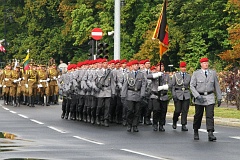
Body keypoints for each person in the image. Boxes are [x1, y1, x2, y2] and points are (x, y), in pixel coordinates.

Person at [190, 57, 222, 141]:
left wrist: (219, 97)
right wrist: (197, 96)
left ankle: (210, 133)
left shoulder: (213, 73)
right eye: (204, 63)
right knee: (198, 115)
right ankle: (196, 131)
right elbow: (192, 86)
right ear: (201, 64)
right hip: (199, 97)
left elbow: (216, 86)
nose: (206, 64)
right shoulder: (196, 73)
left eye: (207, 63)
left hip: (210, 96)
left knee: (210, 115)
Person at [121, 60, 146, 132]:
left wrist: (142, 94)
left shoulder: (141, 74)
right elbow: (125, 85)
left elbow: (143, 85)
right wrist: (123, 95)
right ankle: (129, 124)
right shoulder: (128, 74)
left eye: (137, 65)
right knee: (130, 110)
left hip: (138, 94)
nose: (136, 66)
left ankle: (135, 125)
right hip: (130, 93)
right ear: (131, 66)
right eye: (134, 65)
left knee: (137, 111)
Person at [147, 62, 171, 131]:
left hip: (164, 96)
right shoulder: (154, 75)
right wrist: (157, 75)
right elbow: (148, 77)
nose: (161, 68)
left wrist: (164, 87)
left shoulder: (166, 76)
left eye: (162, 66)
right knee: (156, 110)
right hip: (156, 96)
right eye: (159, 66)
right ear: (156, 68)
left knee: (163, 111)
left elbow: (170, 84)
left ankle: (161, 125)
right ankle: (155, 124)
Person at [171, 61, 191, 131]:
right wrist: (174, 95)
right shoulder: (176, 75)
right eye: (182, 67)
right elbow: (173, 86)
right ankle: (175, 120)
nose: (184, 69)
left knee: (185, 110)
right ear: (180, 68)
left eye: (185, 67)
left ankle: (183, 124)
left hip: (186, 94)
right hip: (178, 93)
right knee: (177, 110)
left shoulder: (188, 76)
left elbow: (190, 85)